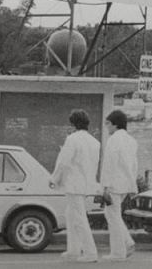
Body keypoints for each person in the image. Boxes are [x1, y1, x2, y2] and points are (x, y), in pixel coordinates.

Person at [50, 109, 100, 263]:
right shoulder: (95, 142)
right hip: (86, 184)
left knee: (78, 218)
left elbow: (64, 162)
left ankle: (90, 253)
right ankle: (73, 250)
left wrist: (54, 178)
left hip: (74, 184)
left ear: (73, 123)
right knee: (71, 215)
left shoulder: (72, 139)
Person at [101, 109, 139, 260]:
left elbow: (109, 164)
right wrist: (133, 185)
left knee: (112, 215)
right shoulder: (131, 141)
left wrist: (105, 186)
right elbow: (134, 165)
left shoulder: (114, 140)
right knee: (113, 215)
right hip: (125, 184)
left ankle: (118, 252)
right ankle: (127, 242)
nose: (106, 127)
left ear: (115, 124)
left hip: (114, 184)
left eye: (108, 124)